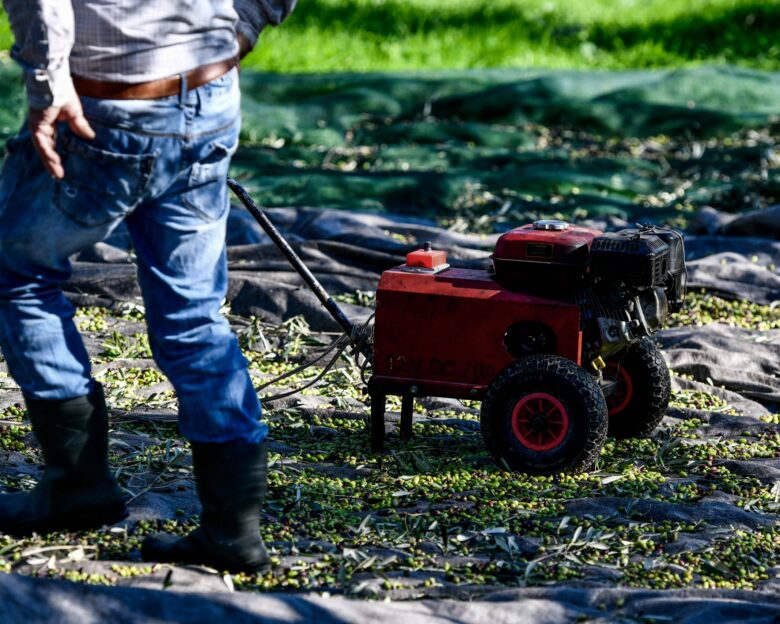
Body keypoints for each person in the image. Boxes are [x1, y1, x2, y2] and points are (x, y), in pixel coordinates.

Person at [0, 0, 295, 573]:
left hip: (109, 105)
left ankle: (77, 485)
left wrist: (47, 81)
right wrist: (244, 26)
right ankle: (234, 532)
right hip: (209, 94)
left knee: (16, 274)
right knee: (193, 316)